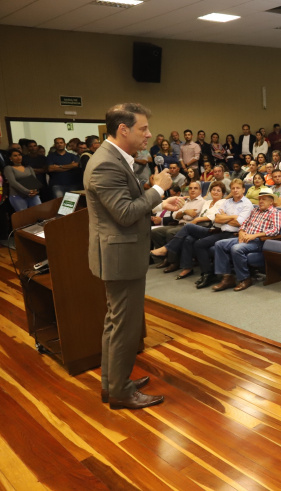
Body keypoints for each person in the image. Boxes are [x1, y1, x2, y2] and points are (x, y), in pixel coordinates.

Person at [84, 103, 183, 410]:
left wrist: (158, 206)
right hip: (120, 257)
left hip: (121, 252)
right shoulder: (105, 163)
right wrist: (158, 191)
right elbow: (125, 213)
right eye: (143, 129)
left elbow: (125, 205)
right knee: (124, 326)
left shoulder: (115, 158)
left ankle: (113, 383)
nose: (149, 135)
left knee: (117, 324)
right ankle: (120, 392)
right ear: (123, 130)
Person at [211, 189, 281, 292]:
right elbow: (244, 223)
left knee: (236, 248)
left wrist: (255, 235)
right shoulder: (255, 210)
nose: (261, 201)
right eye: (260, 199)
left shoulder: (275, 212)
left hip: (259, 241)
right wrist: (241, 232)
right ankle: (227, 277)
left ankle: (245, 278)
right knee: (219, 244)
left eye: (264, 199)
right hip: (244, 237)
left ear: (271, 202)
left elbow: (275, 230)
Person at [150, 181, 226, 270]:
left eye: (218, 190)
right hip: (188, 224)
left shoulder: (218, 202)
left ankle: (172, 258)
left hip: (208, 227)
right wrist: (184, 212)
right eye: (213, 190)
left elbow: (203, 216)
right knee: (156, 232)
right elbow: (175, 215)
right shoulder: (206, 202)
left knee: (173, 232)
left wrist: (195, 218)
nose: (215, 192)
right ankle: (167, 258)